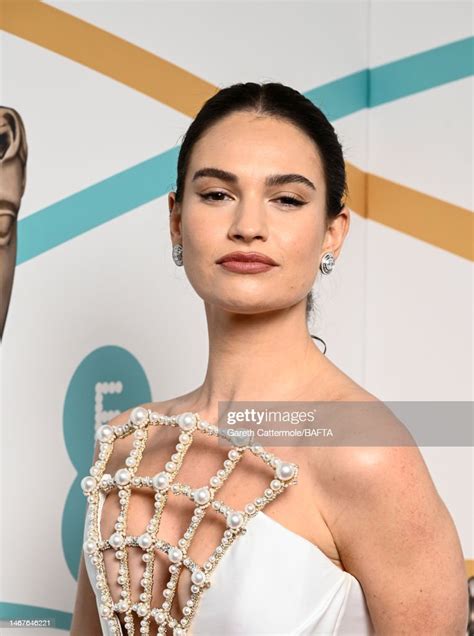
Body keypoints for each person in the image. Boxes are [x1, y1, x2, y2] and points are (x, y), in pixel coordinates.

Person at [71, 82, 468, 635]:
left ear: (333, 231)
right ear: (176, 220)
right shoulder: (126, 446)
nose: (248, 226)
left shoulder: (365, 450)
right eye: (216, 194)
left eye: (287, 199)